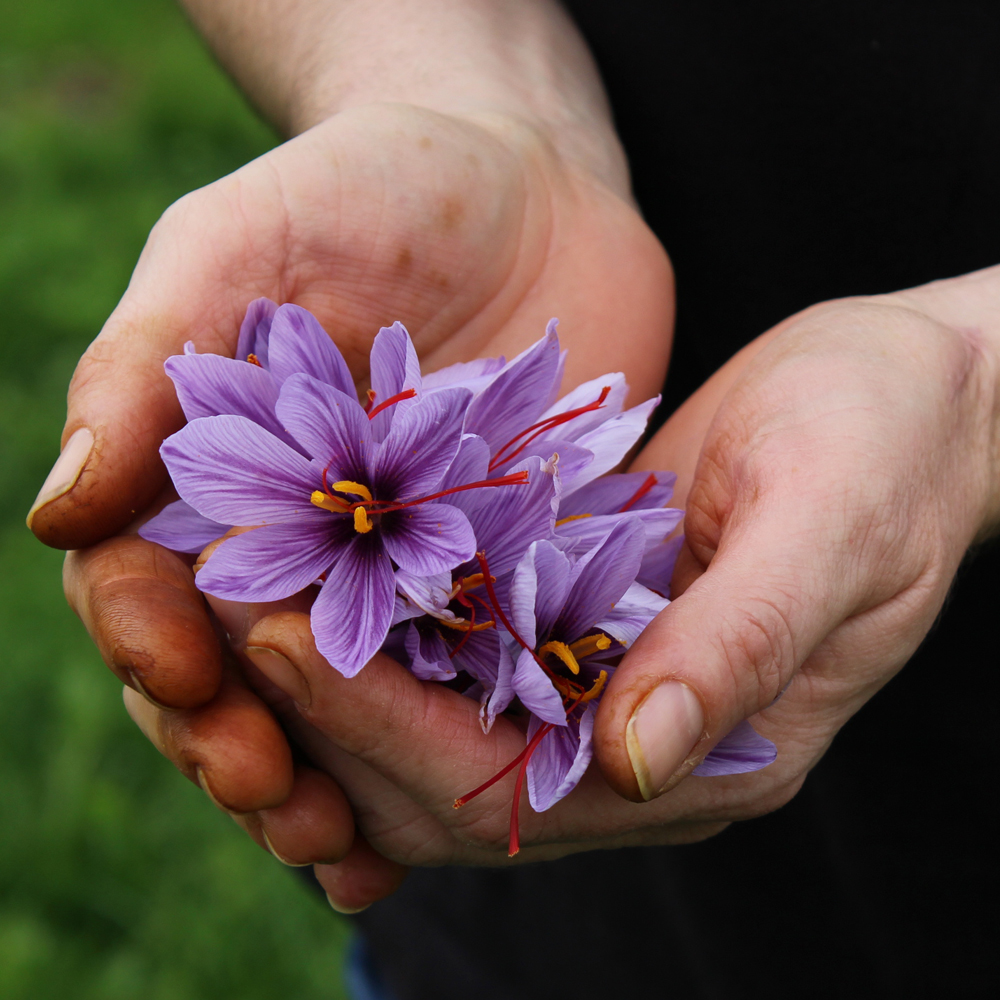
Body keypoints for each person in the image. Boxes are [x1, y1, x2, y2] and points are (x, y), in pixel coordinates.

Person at [28, 2, 998, 996]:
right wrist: (479, 103)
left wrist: (977, 387)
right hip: (504, 923)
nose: (361, 506)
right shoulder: (411, 519)